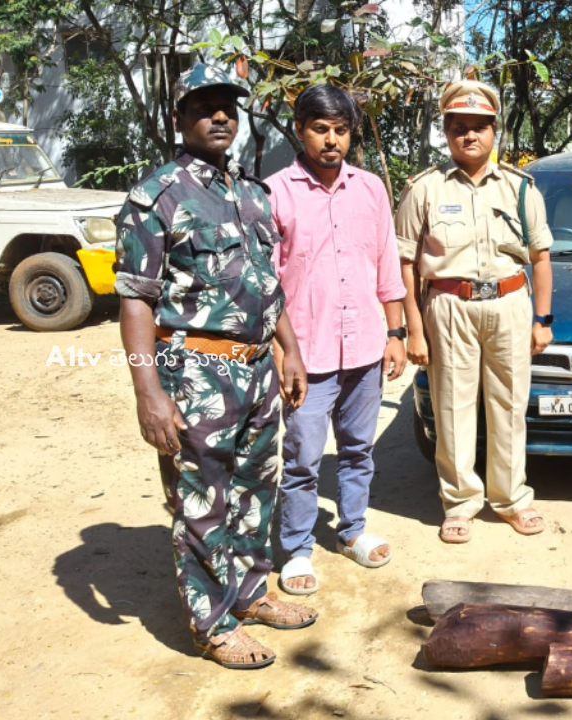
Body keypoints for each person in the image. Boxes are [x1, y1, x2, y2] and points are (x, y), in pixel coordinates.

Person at [114, 63, 316, 669]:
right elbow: (134, 298)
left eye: (228, 105)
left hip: (256, 369)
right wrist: (148, 392)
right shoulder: (157, 195)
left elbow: (268, 284)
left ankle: (250, 595)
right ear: (179, 118)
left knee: (256, 490)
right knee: (202, 500)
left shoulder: (252, 193)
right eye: (205, 106)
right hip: (194, 371)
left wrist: (292, 351)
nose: (220, 115)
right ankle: (212, 623)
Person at [395, 79, 554, 543]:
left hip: (509, 304)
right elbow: (404, 263)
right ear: (445, 132)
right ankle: (460, 502)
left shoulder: (522, 189)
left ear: (495, 131)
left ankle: (511, 499)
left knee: (509, 406)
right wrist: (413, 330)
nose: (470, 136)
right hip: (448, 306)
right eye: (459, 127)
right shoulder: (423, 189)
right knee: (452, 407)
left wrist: (542, 319)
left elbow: (541, 258)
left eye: (479, 127)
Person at [266, 84, 408, 594]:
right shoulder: (275, 192)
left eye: (341, 131)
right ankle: (298, 549)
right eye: (320, 129)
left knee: (357, 449)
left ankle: (353, 530)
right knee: (302, 458)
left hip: (366, 347)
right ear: (301, 130)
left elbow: (386, 266)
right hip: (308, 354)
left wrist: (395, 332)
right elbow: (267, 282)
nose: (331, 141)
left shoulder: (370, 189)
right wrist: (283, 355)